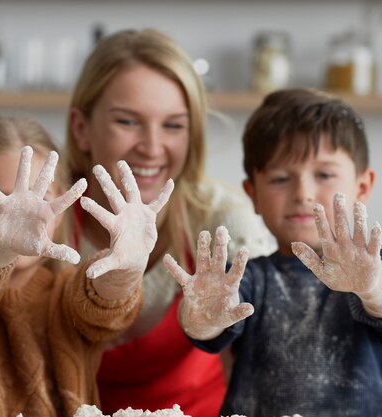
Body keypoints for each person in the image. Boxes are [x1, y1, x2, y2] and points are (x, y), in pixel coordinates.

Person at [164, 88, 382, 417]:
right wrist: (201, 317)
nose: (303, 193)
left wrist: (371, 284)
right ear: (253, 194)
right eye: (280, 178)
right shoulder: (248, 279)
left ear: (362, 187)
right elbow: (208, 329)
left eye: (325, 175)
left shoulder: (380, 264)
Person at [64, 28, 276, 416]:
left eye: (174, 125)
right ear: (81, 128)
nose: (152, 146)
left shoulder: (224, 222)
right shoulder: (50, 223)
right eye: (128, 121)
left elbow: (267, 362)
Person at [0, 116, 174, 417]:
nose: (18, 215)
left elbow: (101, 301)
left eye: (40, 199)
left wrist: (125, 270)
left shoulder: (67, 298)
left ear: (59, 212)